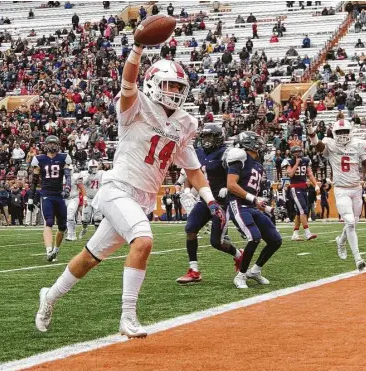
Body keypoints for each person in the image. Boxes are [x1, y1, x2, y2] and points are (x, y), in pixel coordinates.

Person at [35, 41, 224, 339]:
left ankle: (50, 296)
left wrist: (211, 201)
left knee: (89, 257)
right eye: (169, 86)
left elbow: (192, 169)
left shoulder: (186, 122)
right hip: (117, 189)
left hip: (143, 198)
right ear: (152, 83)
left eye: (178, 87)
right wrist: (137, 49)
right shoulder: (136, 106)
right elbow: (128, 82)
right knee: (144, 240)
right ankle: (128, 316)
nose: (174, 92)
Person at [176, 124, 243, 284]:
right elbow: (189, 171)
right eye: (204, 136)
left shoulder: (227, 153)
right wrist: (183, 186)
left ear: (218, 137)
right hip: (205, 199)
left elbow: (236, 175)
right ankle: (194, 270)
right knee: (190, 229)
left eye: (210, 137)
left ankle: (239, 255)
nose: (206, 140)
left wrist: (227, 188)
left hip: (222, 202)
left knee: (216, 242)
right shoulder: (198, 153)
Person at [307, 119, 366, 270]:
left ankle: (341, 240)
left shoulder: (357, 144)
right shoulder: (330, 144)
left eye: (345, 132)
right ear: (334, 133)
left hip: (356, 189)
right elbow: (317, 145)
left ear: (351, 132)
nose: (342, 135)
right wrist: (310, 130)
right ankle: (358, 259)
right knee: (349, 221)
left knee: (354, 223)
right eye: (339, 132)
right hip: (341, 189)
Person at [226, 131, 282, 289]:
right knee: (254, 237)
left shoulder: (257, 164)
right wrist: (253, 199)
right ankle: (240, 275)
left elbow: (252, 194)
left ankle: (255, 271)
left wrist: (269, 208)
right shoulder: (239, 158)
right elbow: (231, 184)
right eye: (257, 142)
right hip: (238, 203)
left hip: (250, 206)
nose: (260, 146)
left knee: (275, 240)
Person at [30, 135, 72, 262]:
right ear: (46, 144)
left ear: (58, 145)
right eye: (50, 143)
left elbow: (68, 176)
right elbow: (34, 181)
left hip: (59, 195)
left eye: (55, 143)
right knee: (48, 222)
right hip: (46, 194)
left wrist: (67, 188)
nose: (52, 146)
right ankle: (49, 250)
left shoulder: (64, 157)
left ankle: (56, 249)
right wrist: (31, 198)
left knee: (63, 227)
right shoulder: (39, 159)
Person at [282, 146, 319, 241]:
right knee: (303, 210)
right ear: (291, 153)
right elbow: (290, 174)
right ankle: (307, 233)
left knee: (300, 212)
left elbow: (310, 174)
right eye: (295, 152)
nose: (297, 154)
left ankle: (295, 234)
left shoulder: (306, 160)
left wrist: (316, 184)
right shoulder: (289, 161)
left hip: (303, 188)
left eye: (298, 152)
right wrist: (297, 163)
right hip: (295, 188)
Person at [79, 160, 103, 238]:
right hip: (88, 198)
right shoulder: (84, 174)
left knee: (98, 218)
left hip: (97, 198)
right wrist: (88, 175)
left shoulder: (101, 173)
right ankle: (84, 228)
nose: (93, 168)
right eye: (92, 167)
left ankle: (97, 235)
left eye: (95, 167)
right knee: (85, 219)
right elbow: (82, 184)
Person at [65, 169, 87, 241]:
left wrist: (85, 199)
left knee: (70, 216)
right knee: (65, 218)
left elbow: (82, 188)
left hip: (73, 198)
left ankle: (70, 235)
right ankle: (73, 234)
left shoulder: (75, 177)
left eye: (69, 170)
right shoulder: (60, 176)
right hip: (63, 199)